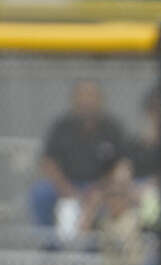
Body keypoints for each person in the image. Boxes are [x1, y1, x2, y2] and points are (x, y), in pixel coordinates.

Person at [28, 79, 127, 238]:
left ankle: (98, 248)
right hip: (67, 184)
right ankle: (50, 248)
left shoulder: (112, 128)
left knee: (118, 197)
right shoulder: (62, 127)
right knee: (41, 192)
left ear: (100, 99)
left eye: (91, 96)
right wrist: (67, 190)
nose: (87, 101)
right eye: (82, 95)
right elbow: (48, 162)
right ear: (73, 99)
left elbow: (121, 166)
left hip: (99, 187)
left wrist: (100, 190)